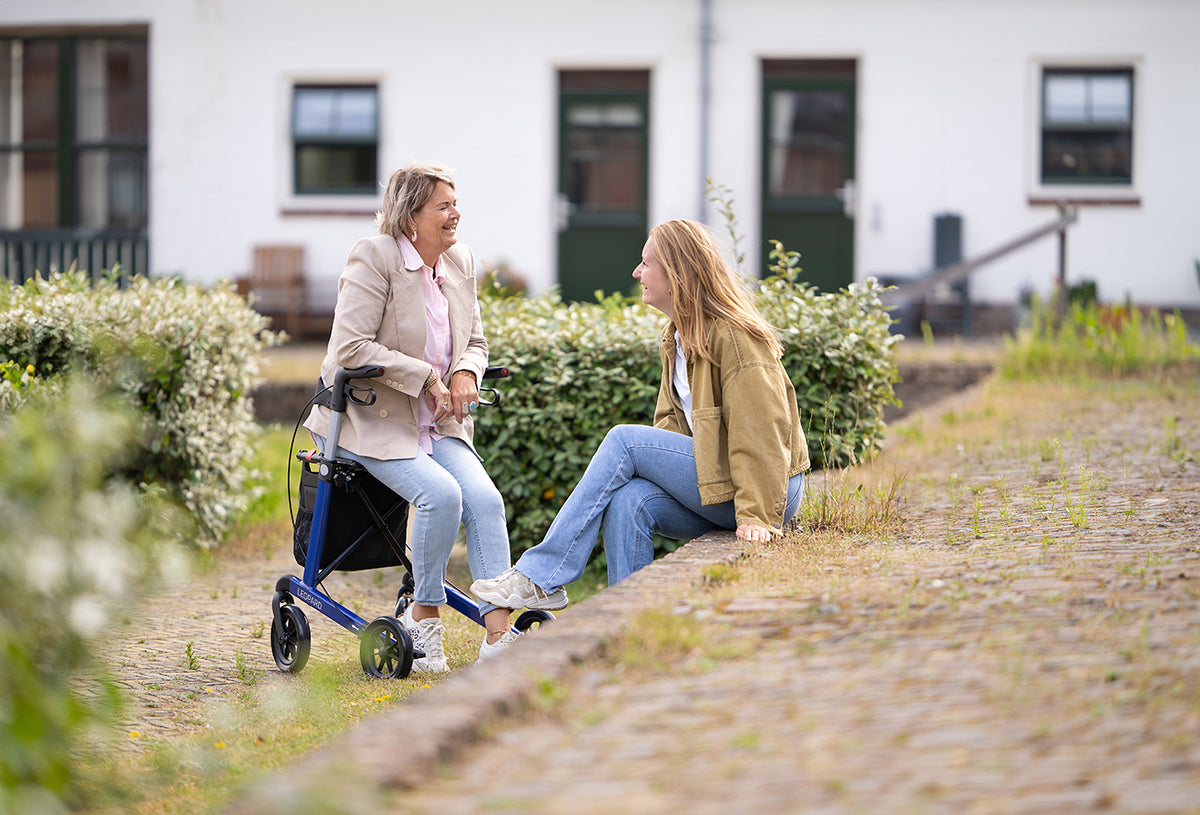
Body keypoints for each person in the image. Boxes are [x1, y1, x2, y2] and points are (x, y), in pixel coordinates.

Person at [470, 218, 809, 611]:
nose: (636, 272)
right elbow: (671, 430)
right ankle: (625, 618)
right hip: (722, 481)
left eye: (646, 263)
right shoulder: (677, 337)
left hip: (769, 492)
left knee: (624, 440)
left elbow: (762, 431)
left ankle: (543, 575)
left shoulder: (733, 337)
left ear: (678, 273)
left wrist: (757, 515)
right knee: (629, 500)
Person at [303, 163, 515, 671]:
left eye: (455, 203)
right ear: (410, 215)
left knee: (485, 500)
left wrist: (465, 371)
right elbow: (349, 348)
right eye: (443, 206)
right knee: (440, 495)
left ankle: (499, 637)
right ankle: (423, 621)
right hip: (369, 423)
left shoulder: (459, 261)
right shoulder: (373, 258)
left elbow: (476, 342)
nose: (455, 213)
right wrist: (425, 376)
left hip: (436, 423)